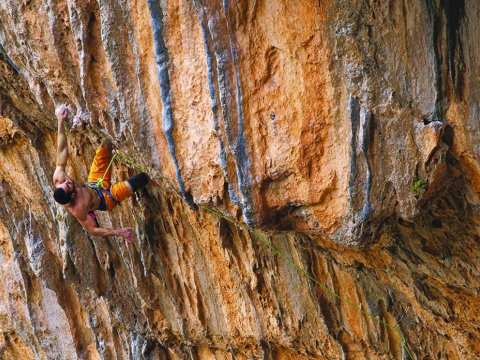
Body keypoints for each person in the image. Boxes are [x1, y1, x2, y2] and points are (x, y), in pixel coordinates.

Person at [52, 106, 150, 243]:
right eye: (68, 186)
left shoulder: (59, 179)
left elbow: (61, 151)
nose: (68, 182)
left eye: (65, 183)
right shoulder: (78, 209)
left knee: (107, 144)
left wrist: (60, 123)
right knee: (140, 179)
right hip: (106, 198)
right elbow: (93, 231)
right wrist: (119, 232)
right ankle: (150, 179)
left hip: (95, 182)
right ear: (72, 195)